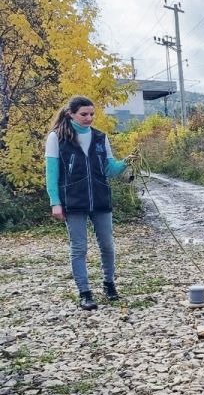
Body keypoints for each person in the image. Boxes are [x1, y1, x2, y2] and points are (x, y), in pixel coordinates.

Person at [45, 95, 137, 311]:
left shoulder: (100, 137)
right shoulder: (56, 138)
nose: (89, 118)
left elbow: (109, 170)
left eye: (91, 114)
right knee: (79, 248)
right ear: (71, 114)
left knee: (107, 245)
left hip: (100, 198)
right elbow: (51, 174)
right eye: (83, 114)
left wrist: (126, 162)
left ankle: (109, 284)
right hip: (73, 200)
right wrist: (54, 202)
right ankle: (85, 292)